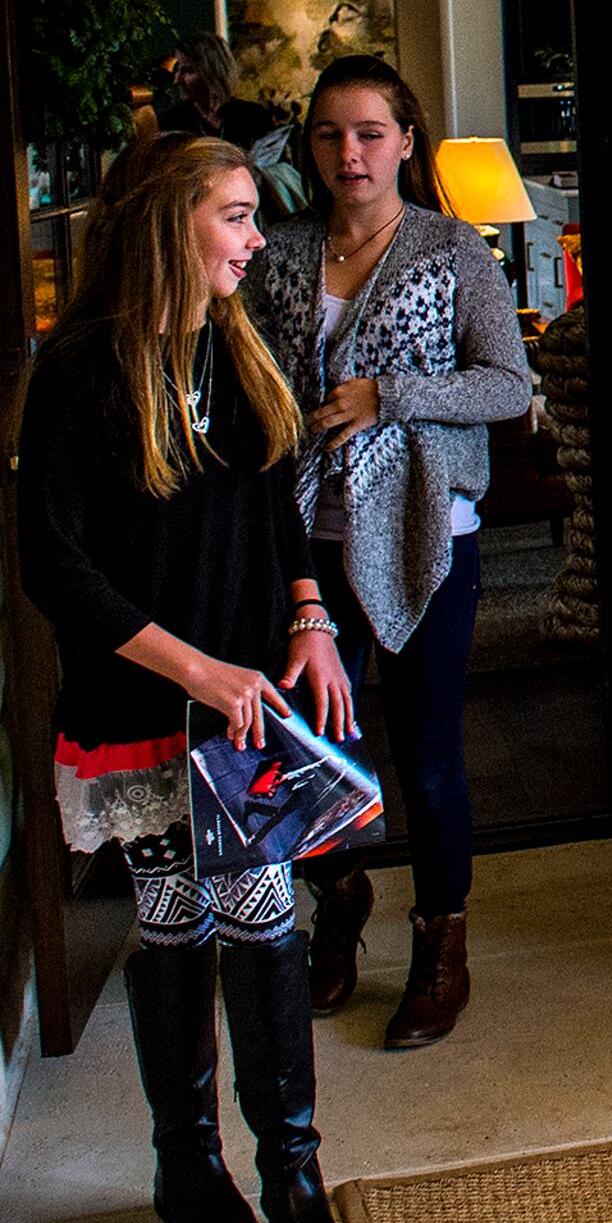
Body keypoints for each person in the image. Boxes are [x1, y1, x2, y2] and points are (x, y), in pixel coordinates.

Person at [15, 134, 353, 1223]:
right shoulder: (80, 373)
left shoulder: (236, 346)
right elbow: (55, 567)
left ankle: (293, 1174)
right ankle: (187, 1162)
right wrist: (196, 671)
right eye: (240, 216)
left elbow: (274, 513)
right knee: (177, 920)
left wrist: (311, 617)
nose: (258, 240)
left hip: (247, 703)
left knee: (263, 909)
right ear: (172, 221)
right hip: (144, 706)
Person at [247, 54, 534, 1048]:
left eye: (369, 132)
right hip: (307, 540)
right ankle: (339, 901)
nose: (350, 153)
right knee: (314, 750)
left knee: (429, 756)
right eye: (329, 135)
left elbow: (507, 386)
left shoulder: (454, 252)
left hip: (425, 539)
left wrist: (389, 396)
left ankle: (440, 945)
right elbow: (250, 386)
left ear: (407, 138)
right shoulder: (278, 255)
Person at [159, 32, 281, 150]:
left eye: (188, 71)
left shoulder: (255, 116)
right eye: (177, 71)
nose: (177, 80)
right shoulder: (173, 122)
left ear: (212, 72)